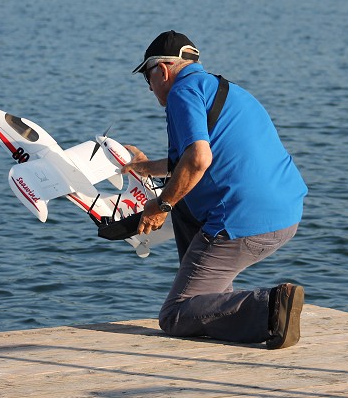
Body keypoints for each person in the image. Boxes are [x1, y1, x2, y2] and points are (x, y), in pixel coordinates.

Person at [121, 30, 308, 349]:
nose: (150, 87)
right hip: (286, 214)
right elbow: (200, 157)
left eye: (147, 78)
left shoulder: (182, 93)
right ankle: (210, 300)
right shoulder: (226, 90)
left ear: (162, 71)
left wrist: (161, 205)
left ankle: (270, 309)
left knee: (174, 316)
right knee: (183, 203)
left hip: (242, 222)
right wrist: (145, 167)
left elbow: (199, 158)